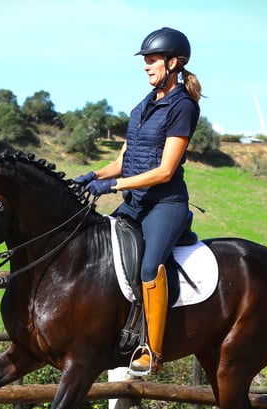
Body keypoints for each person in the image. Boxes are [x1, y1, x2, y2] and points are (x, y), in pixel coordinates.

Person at [74, 27, 202, 376]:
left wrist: (114, 186)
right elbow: (123, 162)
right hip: (135, 204)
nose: (146, 67)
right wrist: (94, 176)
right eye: (144, 62)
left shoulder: (183, 108)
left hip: (165, 205)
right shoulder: (142, 107)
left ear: (172, 62)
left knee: (148, 268)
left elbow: (164, 171)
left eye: (152, 61)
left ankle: (152, 350)